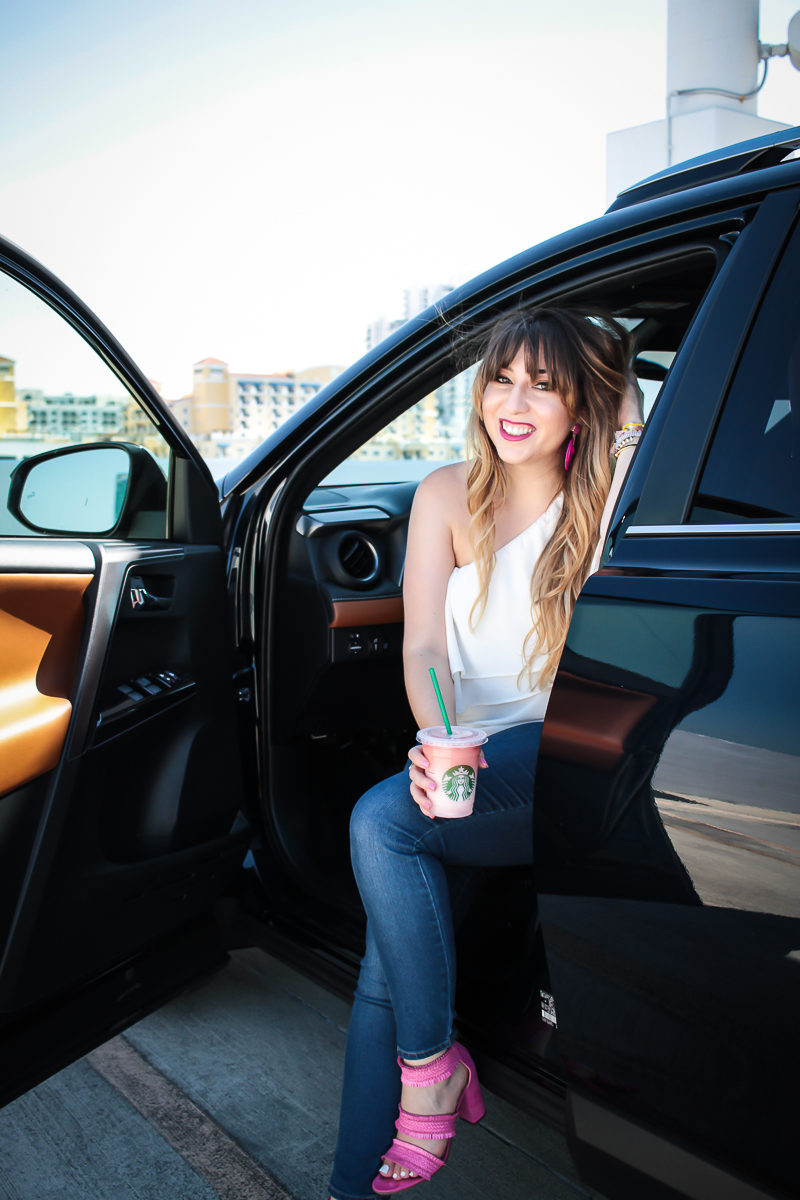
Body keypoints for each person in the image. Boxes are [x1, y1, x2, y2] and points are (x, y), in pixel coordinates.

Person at [327, 307, 644, 1200]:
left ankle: (430, 1080)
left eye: (546, 385)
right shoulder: (442, 493)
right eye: (502, 377)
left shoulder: (604, 497)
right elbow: (424, 647)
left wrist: (609, 377)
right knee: (388, 964)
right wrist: (437, 744)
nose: (514, 401)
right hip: (475, 753)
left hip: (573, 759)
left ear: (583, 404)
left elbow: (631, 423)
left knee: (381, 822)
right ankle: (364, 1174)